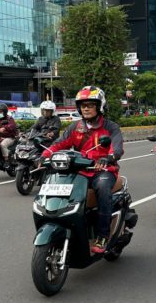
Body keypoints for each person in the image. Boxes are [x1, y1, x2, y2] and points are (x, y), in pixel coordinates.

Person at [41, 86, 124, 254]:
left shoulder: (111, 127)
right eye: (83, 105)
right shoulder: (75, 127)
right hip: (79, 171)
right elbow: (59, 144)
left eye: (90, 105)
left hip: (102, 170)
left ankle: (102, 236)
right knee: (57, 185)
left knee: (102, 188)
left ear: (99, 106)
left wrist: (108, 158)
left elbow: (117, 149)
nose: (86, 108)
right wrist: (44, 155)